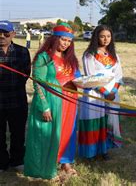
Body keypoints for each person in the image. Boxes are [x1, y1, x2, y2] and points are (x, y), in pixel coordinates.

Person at [24, 23, 81, 179]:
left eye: (69, 41)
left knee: (65, 133)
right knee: (46, 135)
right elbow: (38, 82)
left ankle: (64, 162)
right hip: (51, 102)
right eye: (63, 40)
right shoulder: (44, 57)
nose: (65, 44)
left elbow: (78, 77)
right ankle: (42, 170)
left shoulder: (69, 58)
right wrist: (44, 106)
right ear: (55, 38)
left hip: (69, 102)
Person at [78, 25, 124, 159]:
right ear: (96, 37)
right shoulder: (89, 55)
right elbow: (91, 77)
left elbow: (119, 75)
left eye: (108, 36)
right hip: (95, 94)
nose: (106, 39)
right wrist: (105, 93)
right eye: (102, 36)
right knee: (95, 121)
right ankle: (91, 152)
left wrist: (113, 91)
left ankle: (105, 150)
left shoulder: (114, 55)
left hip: (112, 94)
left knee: (107, 120)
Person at [0, 20, 31, 173]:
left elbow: (25, 74)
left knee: (18, 133)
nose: (2, 36)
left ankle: (17, 160)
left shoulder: (22, 51)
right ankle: (1, 162)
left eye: (5, 33)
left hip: (17, 99)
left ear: (12, 34)